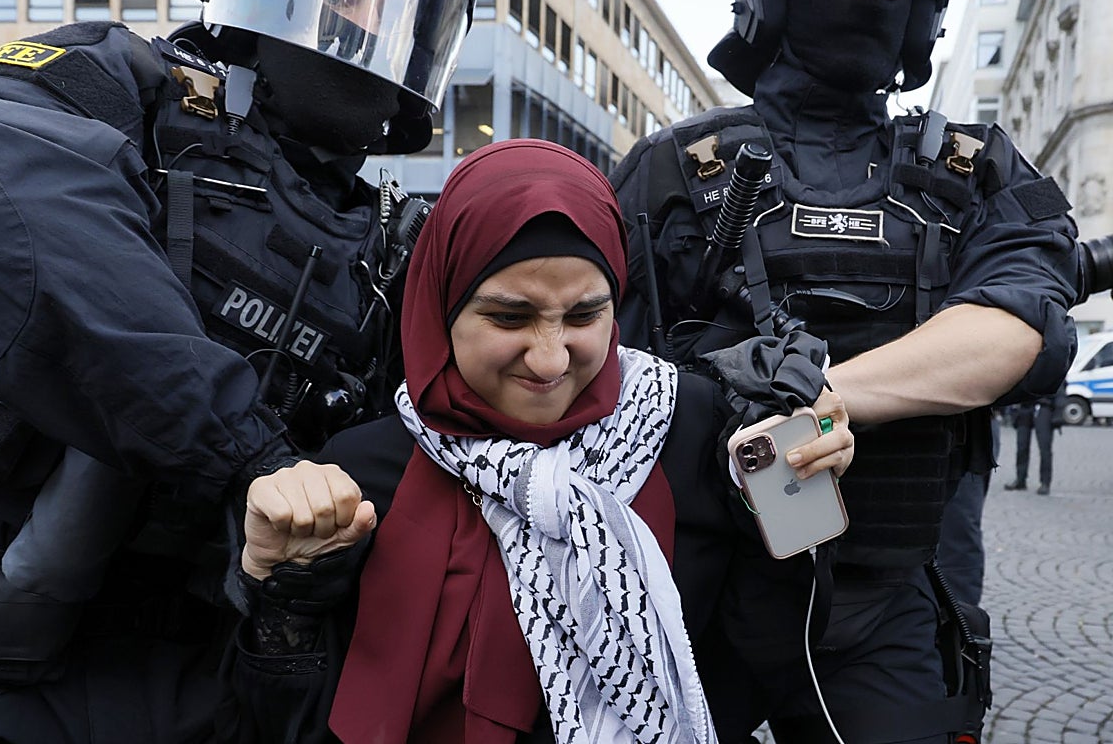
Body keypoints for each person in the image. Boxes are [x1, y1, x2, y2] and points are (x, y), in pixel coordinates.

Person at [0, 0, 474, 740]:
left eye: (390, 7)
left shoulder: (389, 246)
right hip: (3, 653)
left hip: (217, 672)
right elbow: (25, 217)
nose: (361, 23)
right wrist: (249, 453)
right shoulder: (117, 83)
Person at [612, 0, 1080, 742]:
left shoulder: (976, 171)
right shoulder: (673, 170)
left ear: (922, 11)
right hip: (695, 589)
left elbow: (1020, 325)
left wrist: (816, 395)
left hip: (884, 604)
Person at [225, 138, 856, 743]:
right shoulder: (360, 474)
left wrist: (789, 491)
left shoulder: (694, 428)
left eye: (584, 315)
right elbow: (289, 720)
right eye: (509, 317)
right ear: (442, 302)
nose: (550, 359)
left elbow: (769, 657)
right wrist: (283, 590)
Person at [1005, 382, 1065, 495]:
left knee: (1044, 448)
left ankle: (1045, 482)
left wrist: (1058, 412)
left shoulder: (1048, 369)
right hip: (1025, 407)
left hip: (1044, 406)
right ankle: (1020, 479)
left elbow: (1059, 387)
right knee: (1021, 446)